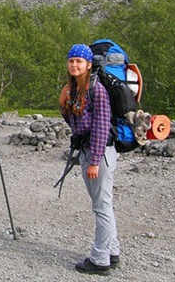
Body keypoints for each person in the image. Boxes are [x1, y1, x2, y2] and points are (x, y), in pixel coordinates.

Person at [58, 44, 120, 275]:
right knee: (103, 203)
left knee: (101, 205)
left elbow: (102, 127)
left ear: (89, 64)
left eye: (79, 61)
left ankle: (100, 260)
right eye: (71, 60)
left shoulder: (97, 90)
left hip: (100, 152)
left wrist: (94, 160)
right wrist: (63, 107)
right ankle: (112, 251)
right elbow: (76, 124)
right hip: (87, 150)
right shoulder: (74, 89)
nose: (74, 65)